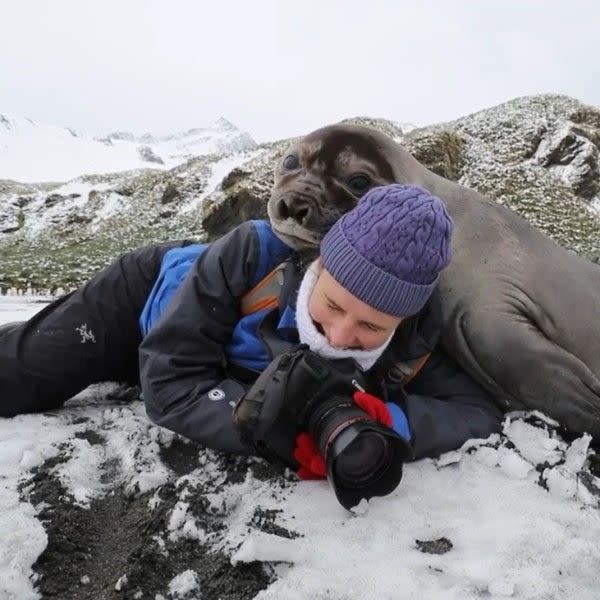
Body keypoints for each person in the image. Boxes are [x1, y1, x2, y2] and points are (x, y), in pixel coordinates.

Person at [0, 184, 502, 480]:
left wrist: (394, 420)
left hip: (207, 363)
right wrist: (271, 427)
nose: (341, 334)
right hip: (144, 305)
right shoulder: (251, 255)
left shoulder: (414, 342)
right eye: (333, 304)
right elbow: (172, 384)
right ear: (320, 265)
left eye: (372, 326)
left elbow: (478, 411)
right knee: (25, 371)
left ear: (402, 320)